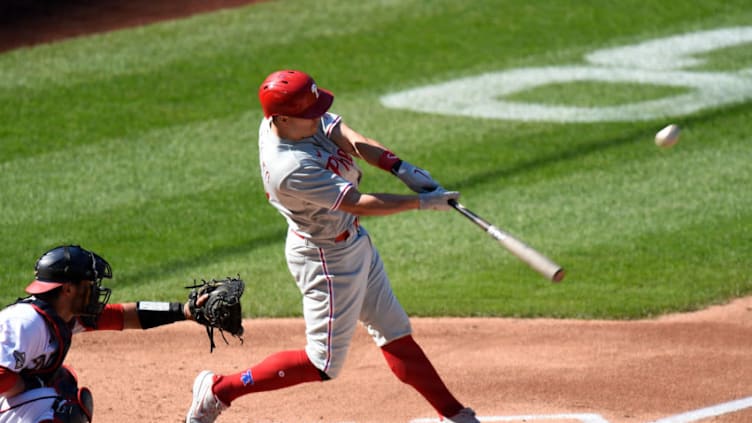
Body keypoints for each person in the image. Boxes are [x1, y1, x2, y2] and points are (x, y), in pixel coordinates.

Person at [185, 69, 479, 423]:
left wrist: (397, 165)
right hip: (327, 260)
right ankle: (219, 390)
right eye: (308, 112)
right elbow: (357, 202)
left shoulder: (294, 120)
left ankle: (455, 414)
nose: (316, 116)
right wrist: (421, 203)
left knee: (394, 332)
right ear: (281, 118)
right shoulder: (290, 167)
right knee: (321, 363)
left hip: (352, 242)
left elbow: (342, 133)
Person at [0, 244, 203, 423]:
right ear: (68, 290)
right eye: (89, 285)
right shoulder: (27, 323)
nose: (95, 291)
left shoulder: (62, 316)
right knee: (66, 409)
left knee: (63, 384)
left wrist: (183, 311)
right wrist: (31, 384)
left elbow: (122, 316)